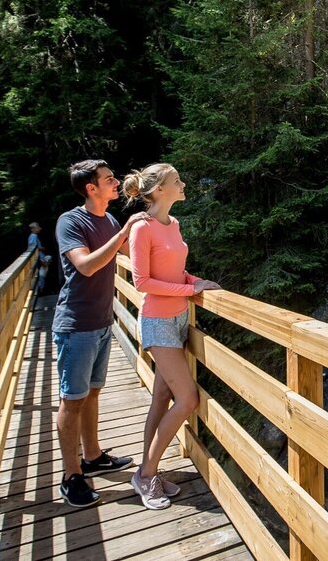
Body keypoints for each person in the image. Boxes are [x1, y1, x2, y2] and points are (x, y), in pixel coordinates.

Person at [122, 163, 221, 510]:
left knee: (163, 396)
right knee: (187, 399)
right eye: (176, 180)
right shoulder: (142, 228)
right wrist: (189, 289)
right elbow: (142, 282)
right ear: (159, 190)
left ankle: (147, 469)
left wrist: (194, 282)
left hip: (178, 317)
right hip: (157, 321)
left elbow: (176, 270)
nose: (183, 184)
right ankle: (146, 474)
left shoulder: (173, 224)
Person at [52, 159, 149, 507]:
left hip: (102, 321)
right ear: (91, 188)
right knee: (72, 400)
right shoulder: (71, 221)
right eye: (109, 180)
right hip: (75, 325)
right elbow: (86, 265)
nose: (117, 182)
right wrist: (123, 233)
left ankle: (92, 456)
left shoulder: (108, 219)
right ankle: (71, 475)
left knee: (92, 393)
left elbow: (130, 254)